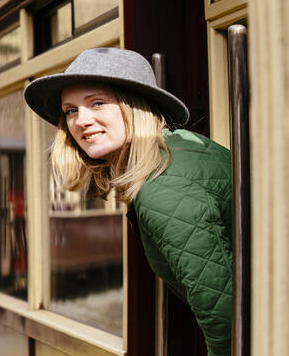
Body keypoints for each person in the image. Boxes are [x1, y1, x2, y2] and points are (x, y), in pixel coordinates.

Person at [23, 47, 233, 356]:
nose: (82, 120)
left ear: (134, 107)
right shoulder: (180, 149)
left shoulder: (161, 186)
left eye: (98, 103)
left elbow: (224, 315)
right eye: (71, 110)